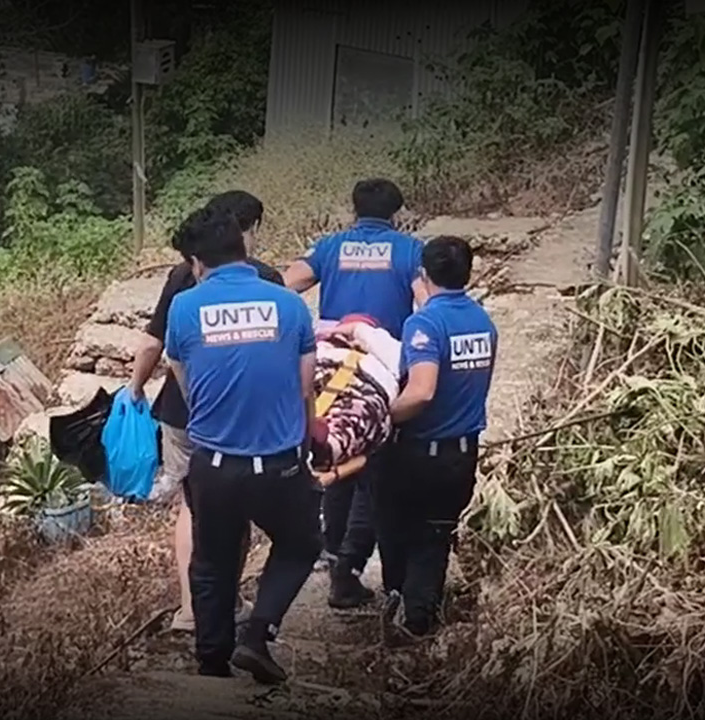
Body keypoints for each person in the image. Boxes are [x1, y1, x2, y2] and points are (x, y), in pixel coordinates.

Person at [165, 204, 321, 684]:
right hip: (279, 464)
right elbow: (305, 386)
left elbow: (185, 382)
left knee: (212, 561)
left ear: (196, 262)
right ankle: (257, 636)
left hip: (214, 465)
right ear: (243, 248)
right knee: (300, 544)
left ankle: (212, 663)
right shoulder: (289, 304)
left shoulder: (184, 307)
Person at [125, 190, 283, 634]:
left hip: (182, 412)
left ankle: (191, 608)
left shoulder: (183, 274)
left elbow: (154, 342)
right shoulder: (267, 280)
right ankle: (225, 602)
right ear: (250, 230)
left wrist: (135, 389)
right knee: (236, 506)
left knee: (192, 506)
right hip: (241, 416)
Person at [282, 177, 425, 609]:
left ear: (354, 210)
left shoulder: (331, 247)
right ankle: (349, 566)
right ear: (396, 214)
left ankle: (332, 553)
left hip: (329, 364)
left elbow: (286, 284)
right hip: (378, 369)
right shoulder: (408, 250)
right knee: (375, 463)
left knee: (335, 452)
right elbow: (425, 302)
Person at [378, 235, 497, 645]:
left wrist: (381, 417)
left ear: (424, 274)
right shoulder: (483, 322)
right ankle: (420, 617)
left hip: (420, 453)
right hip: (462, 454)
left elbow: (422, 391)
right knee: (434, 537)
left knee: (398, 530)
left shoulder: (425, 323)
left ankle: (407, 616)